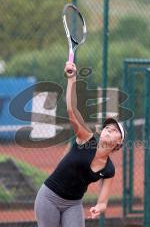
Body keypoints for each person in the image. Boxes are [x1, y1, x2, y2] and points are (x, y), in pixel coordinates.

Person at [34, 62, 125, 227]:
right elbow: (72, 110)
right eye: (107, 127)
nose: (109, 130)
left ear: (119, 142)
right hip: (49, 197)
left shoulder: (109, 169)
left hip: (73, 204)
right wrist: (72, 78)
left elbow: (103, 202)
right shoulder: (86, 139)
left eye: (115, 130)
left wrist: (99, 207)